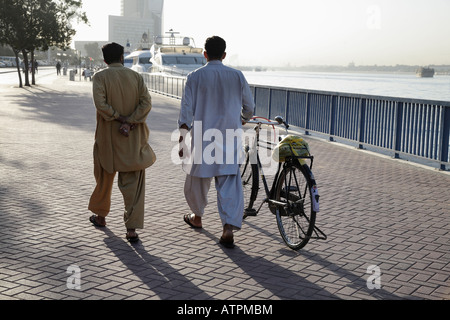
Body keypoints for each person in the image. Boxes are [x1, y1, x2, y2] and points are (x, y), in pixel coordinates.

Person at [178, 36, 255, 248]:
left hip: (203, 136)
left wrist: (183, 138)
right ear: (224, 55)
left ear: (204, 54)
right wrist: (242, 119)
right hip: (229, 135)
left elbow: (186, 111)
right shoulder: (237, 75)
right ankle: (228, 227)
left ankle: (197, 216)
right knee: (229, 182)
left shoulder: (194, 76)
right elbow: (249, 107)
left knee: (197, 180)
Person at [88, 42, 156, 243]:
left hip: (108, 138)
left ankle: (101, 217)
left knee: (104, 178)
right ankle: (131, 230)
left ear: (105, 60)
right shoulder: (136, 77)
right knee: (133, 184)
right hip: (132, 139)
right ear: (122, 57)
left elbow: (100, 104)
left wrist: (118, 117)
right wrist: (131, 121)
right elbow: (146, 103)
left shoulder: (99, 77)